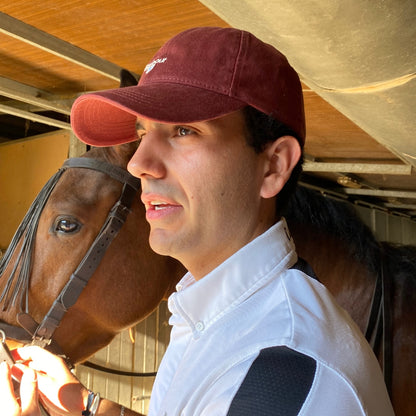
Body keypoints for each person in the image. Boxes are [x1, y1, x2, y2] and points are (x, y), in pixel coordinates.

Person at [1, 26, 394, 416]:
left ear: (273, 166)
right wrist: (86, 405)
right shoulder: (219, 313)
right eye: (143, 132)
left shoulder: (285, 376)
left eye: (184, 131)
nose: (138, 164)